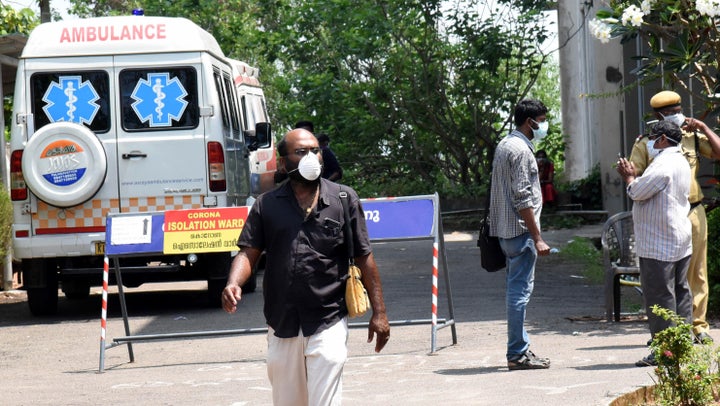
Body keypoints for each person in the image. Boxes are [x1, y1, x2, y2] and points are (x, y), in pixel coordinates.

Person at [222, 128, 390, 405]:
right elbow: (248, 253)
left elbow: (364, 257)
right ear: (283, 161)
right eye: (301, 152)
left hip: (329, 319)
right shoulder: (267, 205)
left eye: (315, 150)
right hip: (282, 322)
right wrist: (232, 283)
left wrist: (380, 313)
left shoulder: (344, 199)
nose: (311, 156)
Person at [629, 90, 720, 344]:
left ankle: (698, 326)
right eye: (669, 114)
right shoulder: (648, 142)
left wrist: (702, 126)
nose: (675, 117)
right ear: (657, 116)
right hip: (666, 216)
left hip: (693, 210)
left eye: (677, 111)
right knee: (667, 277)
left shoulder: (691, 137)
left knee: (697, 273)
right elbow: (634, 173)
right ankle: (669, 330)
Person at [617, 121, 693, 367]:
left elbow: (637, 192)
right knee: (680, 292)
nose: (647, 143)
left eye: (651, 138)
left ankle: (665, 352)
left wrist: (629, 177)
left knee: (660, 296)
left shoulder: (663, 165)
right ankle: (681, 344)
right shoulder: (680, 160)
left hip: (659, 241)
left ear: (661, 140)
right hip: (678, 237)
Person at [488, 99, 552, 371]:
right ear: (531, 122)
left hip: (505, 231)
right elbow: (523, 197)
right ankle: (516, 353)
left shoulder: (505, 145)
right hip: (520, 232)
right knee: (519, 293)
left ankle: (521, 347)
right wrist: (537, 237)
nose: (545, 125)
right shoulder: (522, 151)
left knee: (515, 290)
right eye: (543, 119)